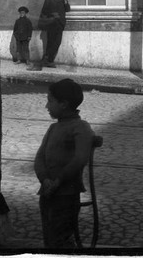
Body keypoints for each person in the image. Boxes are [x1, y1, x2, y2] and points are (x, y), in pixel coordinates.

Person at [34, 78, 96, 250]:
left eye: (50, 101)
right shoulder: (53, 128)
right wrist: (45, 179)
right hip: (47, 192)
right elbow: (39, 158)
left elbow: (79, 158)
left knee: (61, 239)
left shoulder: (80, 127)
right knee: (49, 237)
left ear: (63, 104)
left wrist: (59, 180)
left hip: (66, 194)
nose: (47, 106)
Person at [38, 0, 71, 68]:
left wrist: (65, 2)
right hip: (51, 24)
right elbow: (44, 11)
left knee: (57, 43)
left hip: (60, 25)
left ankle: (47, 59)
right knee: (50, 42)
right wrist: (52, 15)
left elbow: (67, 10)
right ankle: (48, 61)